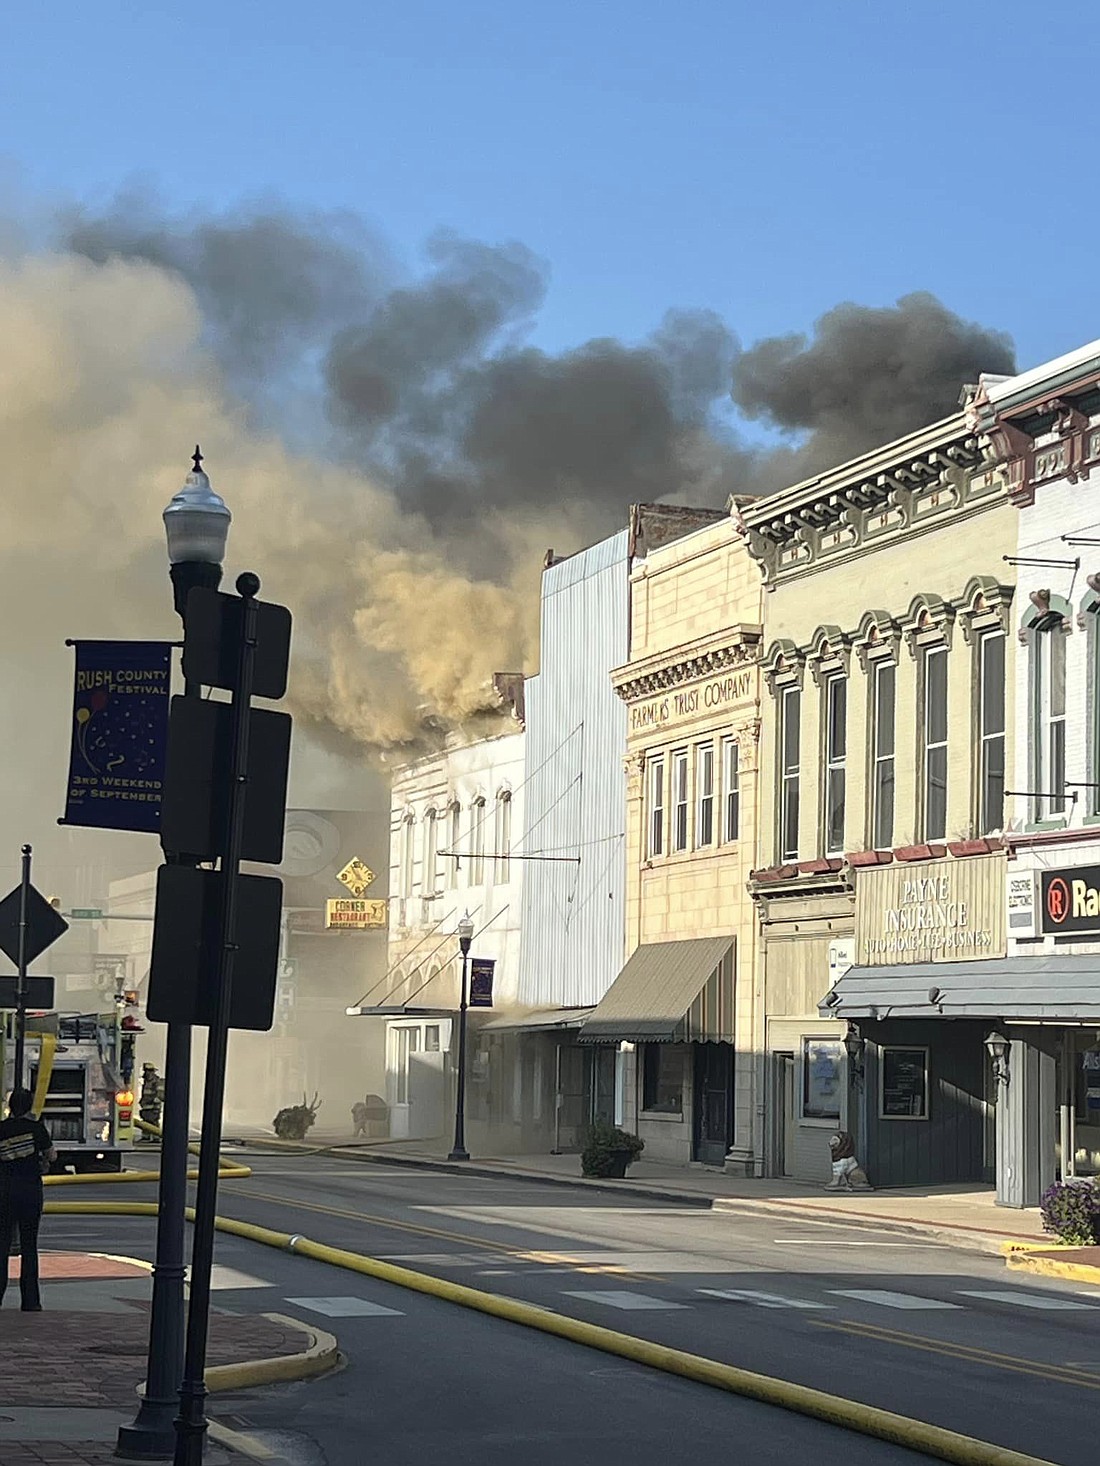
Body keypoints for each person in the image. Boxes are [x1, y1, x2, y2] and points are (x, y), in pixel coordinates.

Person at [0, 1088, 57, 1311]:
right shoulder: (37, 1129)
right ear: (29, 1106)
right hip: (30, 1192)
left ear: (10, 1106)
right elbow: (51, 1155)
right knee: (29, 1245)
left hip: (4, 1192)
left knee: (2, 1245)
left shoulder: (2, 1129)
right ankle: (31, 1301)